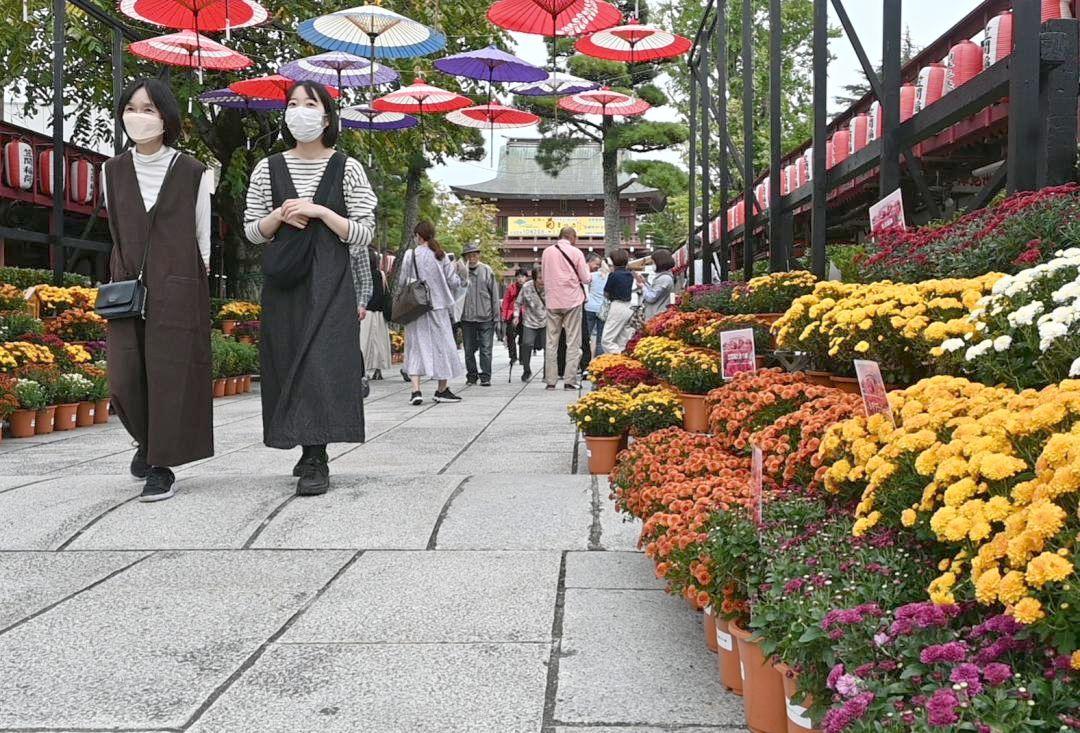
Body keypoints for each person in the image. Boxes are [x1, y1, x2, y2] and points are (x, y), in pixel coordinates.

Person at [244, 81, 374, 497]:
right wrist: (278, 217)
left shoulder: (347, 167)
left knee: (323, 359)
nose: (300, 111)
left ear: (327, 116)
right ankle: (305, 441)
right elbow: (251, 231)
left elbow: (364, 232)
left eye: (310, 104)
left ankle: (317, 454)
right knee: (285, 359)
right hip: (285, 281)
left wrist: (320, 211)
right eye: (293, 104)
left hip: (331, 279)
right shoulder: (268, 168)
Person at [101, 78, 214, 503]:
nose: (137, 117)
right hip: (127, 283)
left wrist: (194, 283)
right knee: (125, 375)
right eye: (130, 108)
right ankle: (146, 441)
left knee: (171, 374)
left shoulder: (193, 172)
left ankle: (160, 464)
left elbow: (203, 237)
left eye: (148, 109)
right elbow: (118, 229)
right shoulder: (110, 171)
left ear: (166, 117)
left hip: (179, 282)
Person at [400, 221, 464, 405]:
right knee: (442, 346)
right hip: (438, 307)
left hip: (416, 308)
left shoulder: (410, 255)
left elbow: (404, 281)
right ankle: (441, 389)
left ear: (418, 236)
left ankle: (416, 391)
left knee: (415, 347)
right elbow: (454, 283)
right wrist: (461, 274)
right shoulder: (440, 255)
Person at [541, 227, 591, 390]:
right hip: (572, 300)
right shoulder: (576, 252)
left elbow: (543, 275)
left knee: (551, 341)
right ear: (572, 237)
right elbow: (585, 278)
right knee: (573, 341)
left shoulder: (547, 252)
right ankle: (570, 380)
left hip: (552, 300)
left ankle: (550, 380)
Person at [457, 242, 500, 386]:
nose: (473, 257)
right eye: (469, 255)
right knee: (468, 349)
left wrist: (496, 316)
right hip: (467, 317)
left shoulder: (487, 270)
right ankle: (471, 375)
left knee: (486, 349)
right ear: (465, 257)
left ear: (479, 255)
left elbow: (494, 294)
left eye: (475, 254)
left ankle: (486, 376)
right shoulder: (461, 272)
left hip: (485, 316)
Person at [361, 247, 392, 380]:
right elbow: (386, 295)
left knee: (364, 343)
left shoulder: (362, 275)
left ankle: (364, 369)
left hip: (365, 313)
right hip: (379, 314)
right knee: (379, 344)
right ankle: (378, 370)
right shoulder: (381, 275)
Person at [601, 248, 636, 354]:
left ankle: (619, 355)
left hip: (617, 307)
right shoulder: (630, 275)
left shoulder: (613, 275)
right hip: (628, 307)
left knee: (606, 340)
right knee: (623, 338)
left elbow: (606, 292)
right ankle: (624, 359)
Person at [514, 268, 546, 382]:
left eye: (544, 277)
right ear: (534, 278)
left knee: (548, 347)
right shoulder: (526, 286)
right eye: (540, 278)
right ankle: (526, 370)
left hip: (546, 320)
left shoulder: (551, 286)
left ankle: (547, 372)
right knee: (526, 344)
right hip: (529, 320)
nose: (542, 280)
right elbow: (518, 303)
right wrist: (516, 316)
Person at [636, 247, 677, 321]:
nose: (652, 265)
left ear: (659, 262)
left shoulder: (664, 278)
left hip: (657, 315)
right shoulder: (666, 276)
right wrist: (645, 283)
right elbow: (655, 291)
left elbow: (651, 297)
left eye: (653, 262)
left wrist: (643, 287)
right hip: (659, 314)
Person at [501, 268, 528, 366]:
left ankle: (522, 357)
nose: (520, 279)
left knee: (523, 337)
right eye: (519, 277)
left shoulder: (528, 288)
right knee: (510, 336)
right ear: (516, 278)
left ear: (526, 278)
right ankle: (513, 357)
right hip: (511, 315)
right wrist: (504, 315)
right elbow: (506, 302)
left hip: (524, 315)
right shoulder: (511, 288)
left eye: (522, 277)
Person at [583, 252, 607, 359]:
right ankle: (598, 362)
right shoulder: (609, 276)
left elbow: (585, 289)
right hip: (602, 309)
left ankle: (585, 361)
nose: (596, 266)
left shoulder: (590, 276)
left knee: (586, 336)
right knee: (600, 338)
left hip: (589, 307)